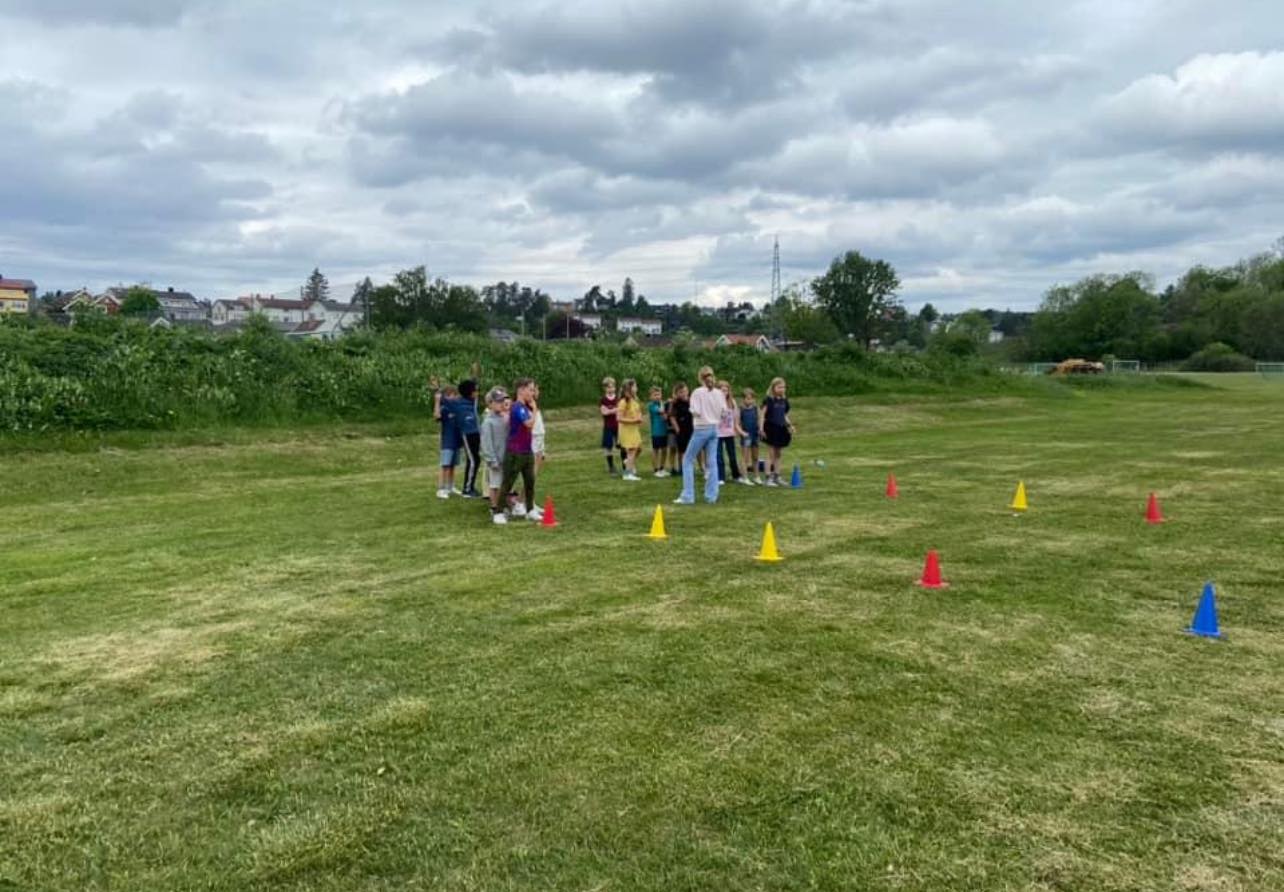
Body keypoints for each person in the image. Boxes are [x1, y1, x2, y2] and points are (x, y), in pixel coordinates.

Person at [674, 366, 722, 505]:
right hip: (714, 429)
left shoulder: (697, 392)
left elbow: (695, 411)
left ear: (700, 378)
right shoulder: (718, 393)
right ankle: (711, 495)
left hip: (701, 428)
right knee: (712, 462)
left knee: (687, 460)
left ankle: (688, 495)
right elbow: (723, 412)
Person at [500, 378, 542, 521]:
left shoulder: (524, 407)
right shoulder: (517, 407)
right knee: (508, 483)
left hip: (526, 450)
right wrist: (535, 408)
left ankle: (530, 509)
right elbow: (529, 424)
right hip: (515, 452)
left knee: (530, 482)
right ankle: (498, 512)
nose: (532, 393)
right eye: (530, 389)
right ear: (521, 390)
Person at [444, 379, 482, 498]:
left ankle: (470, 486)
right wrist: (437, 390)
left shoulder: (473, 402)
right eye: (475, 391)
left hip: (476, 433)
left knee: (476, 460)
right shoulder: (458, 403)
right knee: (473, 460)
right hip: (467, 434)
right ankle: (467, 489)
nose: (477, 393)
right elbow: (444, 400)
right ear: (470, 392)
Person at [479, 386, 509, 524]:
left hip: (505, 457)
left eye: (502, 401)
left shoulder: (504, 418)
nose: (500, 404)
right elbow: (487, 443)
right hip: (495, 459)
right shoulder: (488, 422)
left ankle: (502, 506)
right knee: (495, 484)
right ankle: (495, 508)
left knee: (504, 484)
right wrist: (492, 460)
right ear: (490, 404)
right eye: (497, 401)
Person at [430, 379, 462, 499]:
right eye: (452, 395)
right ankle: (441, 488)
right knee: (445, 465)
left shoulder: (456, 408)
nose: (455, 397)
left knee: (453, 465)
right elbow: (436, 416)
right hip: (447, 441)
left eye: (455, 394)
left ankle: (450, 486)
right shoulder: (444, 409)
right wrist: (437, 401)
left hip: (456, 441)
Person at [761, 376, 795, 487]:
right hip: (770, 428)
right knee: (770, 453)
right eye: (779, 387)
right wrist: (761, 428)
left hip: (781, 428)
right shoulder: (768, 400)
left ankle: (777, 476)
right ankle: (767, 478)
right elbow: (762, 415)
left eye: (784, 387)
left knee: (778, 453)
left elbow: (784, 415)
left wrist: (790, 426)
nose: (782, 389)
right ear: (773, 387)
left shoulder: (784, 401)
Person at [715, 379, 746, 485]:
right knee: (719, 456)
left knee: (732, 455)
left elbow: (736, 418)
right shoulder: (714, 403)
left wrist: (738, 429)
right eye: (722, 390)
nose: (724, 393)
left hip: (729, 433)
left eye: (726, 390)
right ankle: (720, 477)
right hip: (717, 434)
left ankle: (736, 475)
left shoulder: (732, 402)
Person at [617, 378, 643, 481]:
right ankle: (628, 474)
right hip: (627, 430)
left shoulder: (635, 401)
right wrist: (633, 420)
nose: (637, 388)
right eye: (635, 386)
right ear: (629, 388)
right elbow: (619, 418)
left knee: (638, 448)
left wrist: (639, 417)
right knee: (631, 451)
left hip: (634, 429)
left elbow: (638, 412)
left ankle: (628, 463)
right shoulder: (623, 402)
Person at [739, 387, 763, 485]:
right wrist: (742, 432)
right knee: (745, 457)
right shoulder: (740, 409)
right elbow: (738, 423)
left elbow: (760, 418)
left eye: (751, 398)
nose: (750, 400)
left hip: (755, 434)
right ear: (743, 399)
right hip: (746, 435)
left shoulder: (756, 408)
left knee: (755, 457)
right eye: (747, 398)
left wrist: (760, 429)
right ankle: (745, 477)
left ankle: (756, 476)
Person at [668, 381, 692, 470]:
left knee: (690, 449)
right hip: (680, 428)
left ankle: (689, 466)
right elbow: (672, 416)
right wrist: (677, 428)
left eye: (685, 391)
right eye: (681, 392)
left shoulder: (691, 401)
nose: (683, 394)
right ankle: (681, 468)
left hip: (690, 428)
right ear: (677, 393)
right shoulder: (675, 403)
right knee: (681, 450)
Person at [647, 385, 669, 477]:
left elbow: (666, 416)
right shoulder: (651, 406)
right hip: (656, 432)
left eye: (659, 394)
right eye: (655, 395)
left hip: (664, 431)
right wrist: (667, 403)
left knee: (664, 450)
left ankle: (662, 468)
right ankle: (655, 469)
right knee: (655, 450)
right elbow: (661, 411)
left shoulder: (661, 403)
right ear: (651, 396)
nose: (657, 396)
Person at [600, 376, 620, 475]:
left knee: (621, 445)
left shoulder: (618, 398)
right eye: (608, 387)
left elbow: (620, 410)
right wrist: (614, 410)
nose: (611, 389)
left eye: (612, 387)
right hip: (608, 426)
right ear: (605, 388)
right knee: (608, 447)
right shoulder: (603, 399)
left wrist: (610, 410)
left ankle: (626, 465)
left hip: (618, 425)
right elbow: (604, 412)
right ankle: (611, 466)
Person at [531, 381, 547, 477]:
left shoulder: (535, 405)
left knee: (537, 465)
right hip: (534, 437)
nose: (538, 392)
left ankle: (526, 491)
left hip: (539, 437)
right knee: (532, 467)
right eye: (536, 389)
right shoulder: (528, 406)